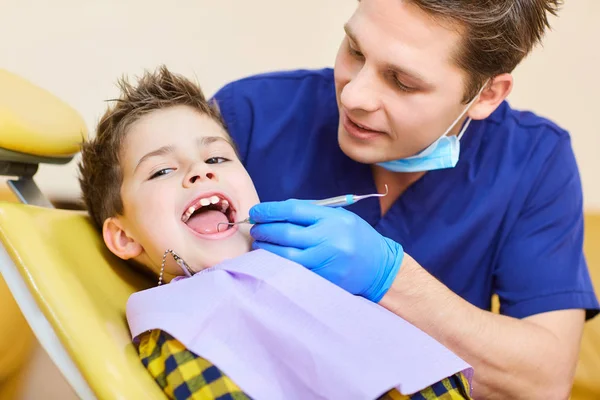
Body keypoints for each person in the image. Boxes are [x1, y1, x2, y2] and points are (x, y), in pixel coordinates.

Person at [209, 0, 600, 398]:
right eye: (355, 50)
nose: (354, 96)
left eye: (402, 81)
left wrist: (391, 278)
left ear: (485, 95)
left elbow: (544, 382)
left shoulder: (533, 161)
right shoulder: (250, 117)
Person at [77, 66, 473, 400]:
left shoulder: (306, 275)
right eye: (162, 170)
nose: (201, 171)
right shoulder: (177, 325)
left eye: (216, 157)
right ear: (124, 237)